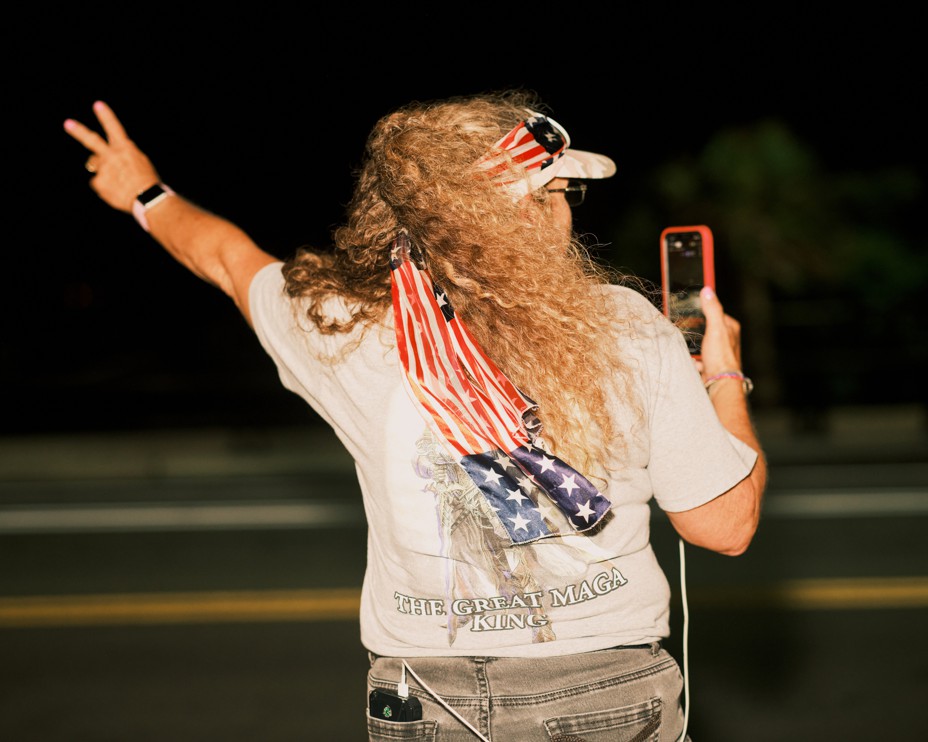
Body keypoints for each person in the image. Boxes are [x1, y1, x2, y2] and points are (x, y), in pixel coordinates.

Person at [64, 90, 767, 742]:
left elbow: (223, 258)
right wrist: (724, 374)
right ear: (517, 214)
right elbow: (724, 526)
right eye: (554, 192)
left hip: (425, 695)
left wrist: (143, 193)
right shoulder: (624, 327)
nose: (566, 210)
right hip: (600, 690)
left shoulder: (339, 327)